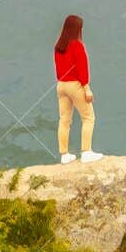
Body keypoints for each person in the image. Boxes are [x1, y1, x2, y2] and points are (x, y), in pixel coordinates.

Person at [53, 14, 103, 163]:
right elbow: (81, 69)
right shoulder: (77, 45)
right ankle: (86, 152)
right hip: (75, 85)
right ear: (77, 29)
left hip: (61, 85)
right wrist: (87, 88)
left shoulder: (58, 46)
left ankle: (64, 155)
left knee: (64, 120)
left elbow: (59, 69)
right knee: (88, 117)